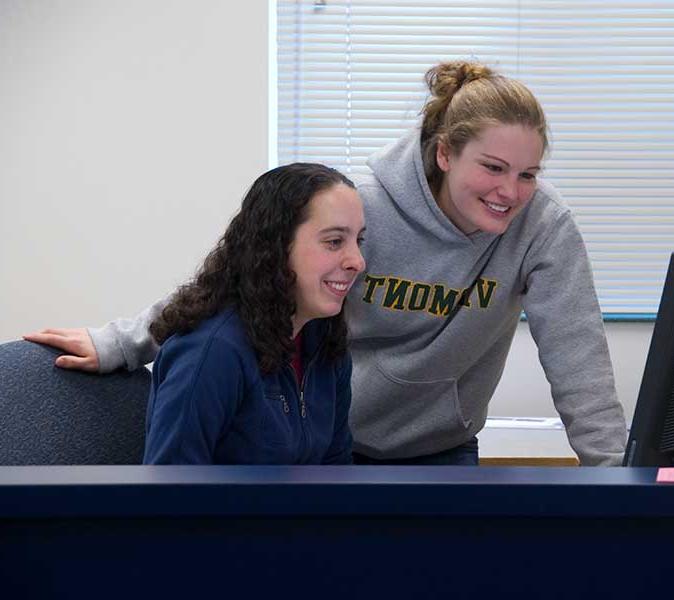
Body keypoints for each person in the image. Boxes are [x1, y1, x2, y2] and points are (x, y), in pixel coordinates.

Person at [25, 61, 625, 466]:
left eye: (527, 174)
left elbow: (580, 362)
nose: (510, 192)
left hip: (437, 448)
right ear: (444, 152)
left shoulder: (542, 226)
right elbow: (242, 272)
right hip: (334, 445)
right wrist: (122, 342)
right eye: (492, 167)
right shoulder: (360, 209)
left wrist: (620, 483)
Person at [139, 163, 364, 464]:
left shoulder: (324, 340)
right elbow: (168, 497)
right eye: (335, 241)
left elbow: (337, 473)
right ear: (276, 245)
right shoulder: (213, 352)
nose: (358, 262)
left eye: (358, 241)